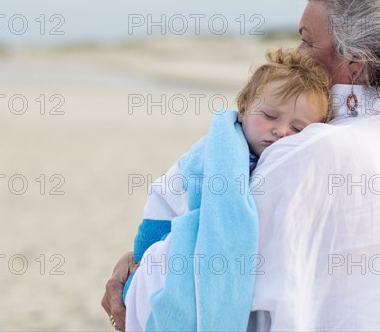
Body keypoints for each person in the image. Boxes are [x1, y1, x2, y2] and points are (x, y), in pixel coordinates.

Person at [102, 0, 380, 331]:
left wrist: (133, 274)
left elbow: (207, 270)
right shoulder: (377, 138)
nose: (297, 52)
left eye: (308, 40)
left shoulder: (306, 150)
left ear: (354, 63)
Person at [121, 48, 332, 322]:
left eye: (298, 129)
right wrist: (141, 260)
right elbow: (162, 200)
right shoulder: (211, 154)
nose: (281, 131)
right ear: (243, 107)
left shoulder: (286, 163)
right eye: (269, 116)